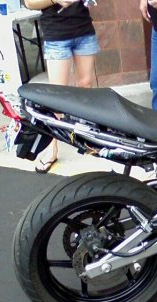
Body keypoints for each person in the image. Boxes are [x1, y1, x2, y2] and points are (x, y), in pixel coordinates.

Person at [24, 0, 100, 173]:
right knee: (57, 96)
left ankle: (87, 139)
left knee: (85, 86)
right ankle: (52, 149)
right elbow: (29, 3)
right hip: (56, 34)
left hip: (84, 29)